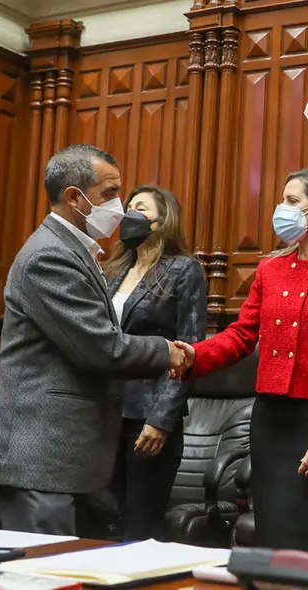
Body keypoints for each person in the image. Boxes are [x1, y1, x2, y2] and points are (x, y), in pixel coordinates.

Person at [0, 144, 189, 535]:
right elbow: (100, 348)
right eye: (110, 193)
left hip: (61, 457)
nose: (121, 205)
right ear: (75, 197)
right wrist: (167, 351)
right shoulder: (50, 256)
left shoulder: (75, 250)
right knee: (44, 573)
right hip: (39, 455)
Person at [176, 166, 308, 553]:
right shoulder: (270, 268)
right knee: (274, 534)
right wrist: (193, 355)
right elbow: (240, 336)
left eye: (291, 201)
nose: (280, 209)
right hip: (271, 420)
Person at [102, 185, 207, 541]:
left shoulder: (183, 271)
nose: (129, 213)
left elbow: (189, 351)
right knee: (103, 518)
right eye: (128, 207)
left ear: (163, 219)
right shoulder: (114, 269)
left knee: (139, 525)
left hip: (147, 417)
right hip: (105, 413)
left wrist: (161, 420)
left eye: (140, 207)